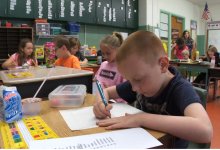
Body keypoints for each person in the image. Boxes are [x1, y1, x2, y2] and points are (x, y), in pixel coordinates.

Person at [93, 31, 212, 148]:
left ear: (163, 65)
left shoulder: (180, 89)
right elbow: (106, 91)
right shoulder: (138, 81)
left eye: (138, 80)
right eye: (130, 80)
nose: (134, 88)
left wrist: (141, 119)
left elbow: (205, 130)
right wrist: (100, 103)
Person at [94, 32, 126, 103]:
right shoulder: (103, 64)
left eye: (108, 53)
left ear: (118, 50)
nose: (105, 56)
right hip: (99, 100)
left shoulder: (124, 67)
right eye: (103, 53)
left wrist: (110, 92)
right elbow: (96, 80)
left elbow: (126, 93)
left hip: (116, 104)